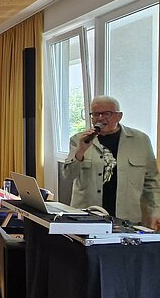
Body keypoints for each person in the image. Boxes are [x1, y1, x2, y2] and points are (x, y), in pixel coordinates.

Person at [61, 95, 160, 226]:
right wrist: (80, 151)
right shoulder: (79, 139)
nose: (100, 118)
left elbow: (152, 182)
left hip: (126, 218)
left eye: (106, 113)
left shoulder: (140, 141)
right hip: (87, 217)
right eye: (95, 114)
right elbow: (68, 176)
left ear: (119, 116)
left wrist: (156, 210)